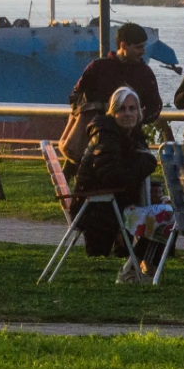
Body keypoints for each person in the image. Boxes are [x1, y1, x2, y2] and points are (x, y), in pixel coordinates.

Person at [73, 87, 163, 274]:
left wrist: (151, 187)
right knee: (165, 216)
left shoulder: (131, 137)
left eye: (132, 108)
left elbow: (127, 173)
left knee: (165, 209)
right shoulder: (106, 135)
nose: (128, 113)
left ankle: (143, 264)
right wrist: (147, 163)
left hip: (110, 204)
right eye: (122, 109)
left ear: (139, 112)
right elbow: (112, 176)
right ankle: (137, 267)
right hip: (97, 210)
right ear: (112, 112)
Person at [71, 22, 164, 124]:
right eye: (138, 47)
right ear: (123, 45)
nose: (143, 51)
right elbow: (75, 97)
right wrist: (97, 110)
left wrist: (135, 119)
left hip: (130, 134)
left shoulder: (145, 73)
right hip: (99, 132)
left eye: (143, 47)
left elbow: (155, 107)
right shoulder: (97, 68)